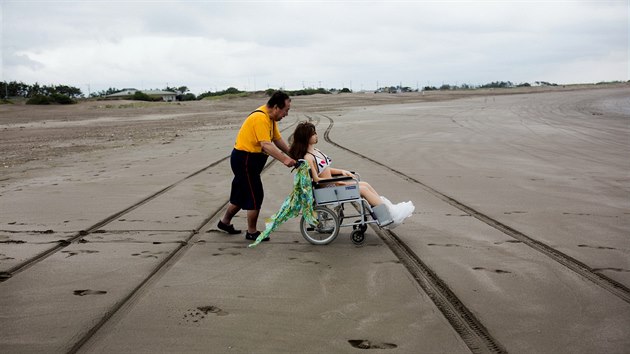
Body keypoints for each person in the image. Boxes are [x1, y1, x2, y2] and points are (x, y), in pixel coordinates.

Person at [288, 121, 414, 228]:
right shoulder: (308, 157)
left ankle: (386, 212)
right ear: (306, 138)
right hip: (329, 189)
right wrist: (339, 182)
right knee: (362, 189)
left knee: (364, 184)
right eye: (313, 134)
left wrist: (342, 171)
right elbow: (317, 179)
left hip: (332, 186)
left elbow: (326, 169)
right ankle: (386, 216)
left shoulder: (316, 151)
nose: (316, 135)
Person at [217, 91, 296, 241]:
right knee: (255, 194)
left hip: (248, 160)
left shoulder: (270, 118)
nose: (286, 114)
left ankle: (224, 222)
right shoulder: (259, 118)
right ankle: (252, 232)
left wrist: (291, 154)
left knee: (240, 194)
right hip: (245, 160)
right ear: (275, 107)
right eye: (286, 110)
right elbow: (266, 145)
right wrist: (285, 160)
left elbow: (276, 139)